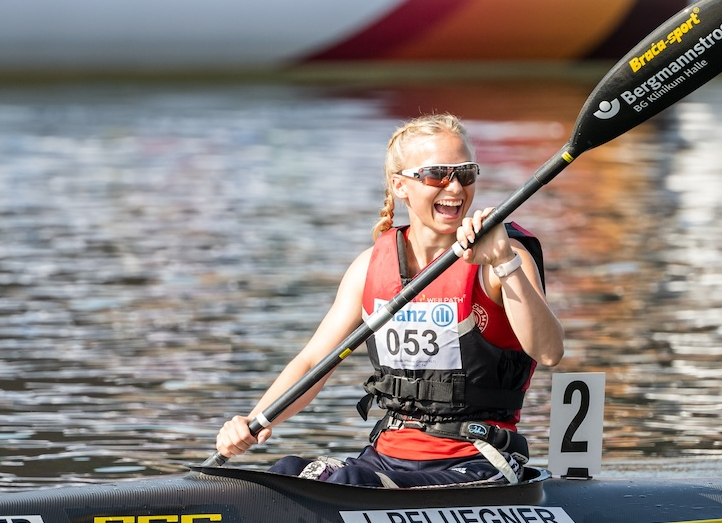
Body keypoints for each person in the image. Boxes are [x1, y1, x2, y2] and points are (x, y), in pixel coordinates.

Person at [215, 113, 564, 487]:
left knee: (349, 483)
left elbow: (549, 353)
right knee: (288, 472)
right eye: (437, 175)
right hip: (387, 455)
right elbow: (314, 361)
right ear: (400, 185)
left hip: (477, 458)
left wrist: (504, 261)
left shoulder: (500, 259)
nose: (455, 188)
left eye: (465, 173)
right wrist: (253, 422)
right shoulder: (369, 268)